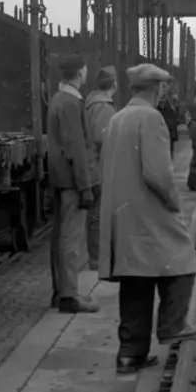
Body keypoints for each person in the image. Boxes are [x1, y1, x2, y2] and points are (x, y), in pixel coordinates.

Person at [98, 63, 196, 374]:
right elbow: (158, 173)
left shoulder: (118, 118)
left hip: (123, 210)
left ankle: (130, 354)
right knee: (182, 260)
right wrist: (174, 202)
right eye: (162, 88)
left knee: (136, 280)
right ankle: (173, 326)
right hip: (148, 210)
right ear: (156, 88)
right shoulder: (151, 118)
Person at [46, 54, 98, 313]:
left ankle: (62, 292)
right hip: (71, 181)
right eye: (85, 70)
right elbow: (76, 148)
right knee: (71, 238)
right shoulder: (70, 103)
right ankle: (69, 295)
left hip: (61, 178)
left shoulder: (59, 99)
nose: (87, 73)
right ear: (79, 72)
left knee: (60, 237)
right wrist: (85, 186)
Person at [83, 66, 117, 272]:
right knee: (98, 212)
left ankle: (98, 255)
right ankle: (97, 258)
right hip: (99, 165)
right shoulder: (103, 106)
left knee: (96, 212)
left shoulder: (92, 102)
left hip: (93, 163)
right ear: (113, 85)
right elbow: (102, 137)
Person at [158, 79, 181, 159]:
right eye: (162, 86)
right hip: (161, 138)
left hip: (170, 137)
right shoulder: (155, 105)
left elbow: (174, 117)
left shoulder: (171, 102)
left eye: (165, 86)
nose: (165, 89)